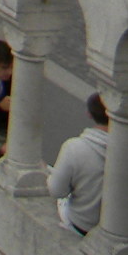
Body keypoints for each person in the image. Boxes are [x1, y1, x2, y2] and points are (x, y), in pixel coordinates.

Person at [50, 94, 111, 234]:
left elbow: (57, 191)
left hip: (82, 224)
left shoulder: (74, 148)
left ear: (89, 114)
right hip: (124, 230)